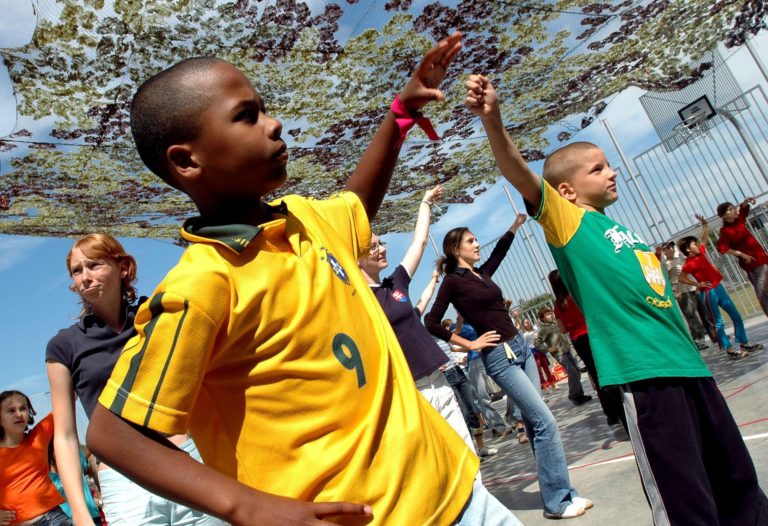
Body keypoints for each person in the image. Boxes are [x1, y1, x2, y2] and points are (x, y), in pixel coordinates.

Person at [86, 34, 520, 526]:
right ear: (187, 161)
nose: (273, 124)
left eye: (264, 109)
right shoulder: (200, 286)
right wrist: (248, 508)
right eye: (246, 115)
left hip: (456, 490)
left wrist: (400, 114)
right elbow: (111, 434)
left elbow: (357, 203)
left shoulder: (303, 219)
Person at [465, 73, 768, 525]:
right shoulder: (568, 224)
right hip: (643, 373)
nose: (612, 171)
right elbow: (521, 175)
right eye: (598, 168)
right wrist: (494, 121)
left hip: (689, 367)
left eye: (609, 164)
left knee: (737, 480)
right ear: (566, 191)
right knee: (686, 497)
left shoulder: (622, 229)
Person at [46, 234, 224, 526]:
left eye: (94, 265)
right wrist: (79, 510)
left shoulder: (156, 317)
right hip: (122, 478)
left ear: (123, 268)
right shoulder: (63, 346)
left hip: (186, 460)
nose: (85, 278)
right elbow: (65, 436)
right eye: (77, 271)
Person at [425, 214, 592, 520]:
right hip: (499, 356)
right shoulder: (452, 282)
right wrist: (470, 344)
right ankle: (557, 502)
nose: (477, 245)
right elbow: (431, 321)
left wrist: (513, 226)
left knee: (533, 421)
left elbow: (500, 251)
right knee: (545, 422)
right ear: (455, 250)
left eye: (476, 239)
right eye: (471, 241)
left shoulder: (481, 274)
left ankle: (560, 493)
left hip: (521, 348)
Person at [356, 184, 503, 460]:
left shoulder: (396, 282)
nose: (381, 249)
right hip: (410, 392)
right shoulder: (356, 299)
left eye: (381, 243)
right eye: (372, 246)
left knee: (466, 456)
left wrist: (424, 203)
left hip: (440, 379)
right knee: (437, 462)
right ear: (356, 259)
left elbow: (419, 243)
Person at [678, 214, 764, 360]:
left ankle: (744, 342)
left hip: (720, 288)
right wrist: (697, 284)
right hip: (708, 292)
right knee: (718, 322)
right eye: (693, 244)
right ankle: (729, 349)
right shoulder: (688, 263)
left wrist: (704, 225)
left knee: (736, 315)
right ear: (687, 250)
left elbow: (704, 238)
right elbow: (681, 278)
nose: (697, 244)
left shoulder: (701, 253)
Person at [548, 270, 624, 428]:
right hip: (593, 334)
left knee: (595, 375)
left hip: (578, 340)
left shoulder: (558, 305)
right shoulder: (577, 294)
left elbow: (562, 329)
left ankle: (610, 413)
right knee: (607, 369)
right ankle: (620, 407)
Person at [0, 390, 72, 526]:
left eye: (23, 408)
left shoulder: (39, 436)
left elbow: (65, 402)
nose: (19, 414)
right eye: (11, 411)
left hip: (56, 519)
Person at [716, 197, 768, 316]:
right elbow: (722, 248)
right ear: (724, 216)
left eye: (734, 207)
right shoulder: (725, 231)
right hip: (753, 264)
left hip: (763, 258)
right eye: (730, 209)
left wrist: (745, 202)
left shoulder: (739, 221)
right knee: (764, 293)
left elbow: (743, 211)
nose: (734, 210)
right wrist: (741, 254)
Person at [660, 241, 714, 350]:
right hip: (682, 292)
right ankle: (699, 341)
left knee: (706, 313)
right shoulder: (665, 264)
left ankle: (715, 335)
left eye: (672, 247)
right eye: (668, 248)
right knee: (692, 317)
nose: (671, 249)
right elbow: (665, 280)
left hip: (694, 288)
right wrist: (673, 291)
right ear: (664, 251)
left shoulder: (681, 259)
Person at [534, 307, 592, 406]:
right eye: (547, 314)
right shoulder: (544, 330)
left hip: (567, 350)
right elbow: (537, 342)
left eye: (551, 313)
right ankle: (574, 396)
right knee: (572, 373)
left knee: (577, 372)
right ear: (542, 318)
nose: (551, 315)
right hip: (560, 354)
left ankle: (579, 395)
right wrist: (547, 349)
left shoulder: (556, 324)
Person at [49, 445, 103, 526]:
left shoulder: (75, 462)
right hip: (70, 522)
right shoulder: (48, 478)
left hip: (93, 517)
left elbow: (90, 448)